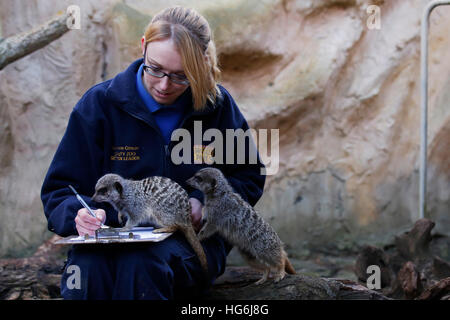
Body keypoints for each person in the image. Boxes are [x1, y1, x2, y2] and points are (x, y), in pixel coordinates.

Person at [41, 6, 265, 300]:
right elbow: (60, 190)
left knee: (142, 264)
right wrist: (78, 215)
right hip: (111, 236)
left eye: (180, 76)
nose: (164, 85)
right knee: (88, 268)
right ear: (143, 47)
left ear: (200, 64)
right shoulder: (100, 105)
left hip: (188, 239)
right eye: (155, 69)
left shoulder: (216, 108)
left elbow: (247, 176)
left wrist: (203, 203)